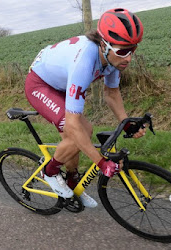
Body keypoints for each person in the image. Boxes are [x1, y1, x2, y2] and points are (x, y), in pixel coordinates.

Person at [25, 8, 146, 208]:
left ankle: (72, 182)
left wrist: (126, 124)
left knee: (77, 136)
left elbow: (112, 93)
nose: (129, 58)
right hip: (40, 85)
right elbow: (73, 125)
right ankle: (49, 171)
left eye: (133, 50)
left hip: (62, 84)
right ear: (104, 44)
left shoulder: (112, 59)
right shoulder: (84, 61)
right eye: (123, 51)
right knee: (80, 132)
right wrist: (101, 163)